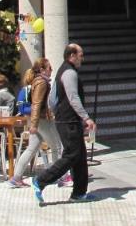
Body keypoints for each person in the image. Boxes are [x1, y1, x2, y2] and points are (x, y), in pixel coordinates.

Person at [32, 43, 96, 204]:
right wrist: (86, 118)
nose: (83, 58)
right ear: (72, 56)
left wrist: (57, 112)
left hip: (67, 119)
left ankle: (79, 193)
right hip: (68, 121)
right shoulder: (69, 73)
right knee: (72, 155)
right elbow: (73, 97)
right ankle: (40, 180)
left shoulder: (64, 70)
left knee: (80, 156)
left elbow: (52, 99)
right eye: (81, 55)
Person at [9, 59, 67, 187]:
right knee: (57, 147)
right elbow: (36, 104)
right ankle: (61, 177)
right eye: (49, 67)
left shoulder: (38, 81)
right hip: (43, 120)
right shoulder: (42, 83)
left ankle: (16, 178)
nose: (51, 70)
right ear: (42, 70)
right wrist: (34, 124)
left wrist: (33, 123)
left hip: (36, 120)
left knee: (31, 149)